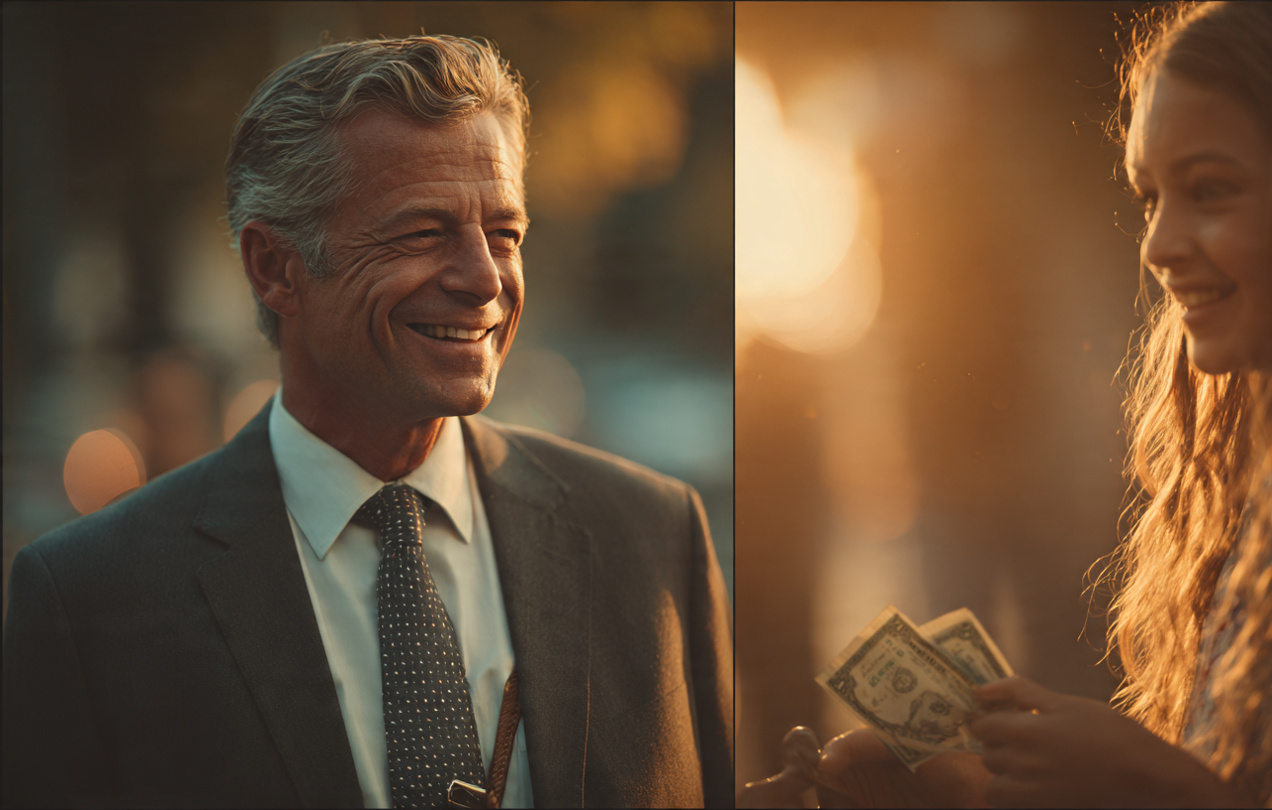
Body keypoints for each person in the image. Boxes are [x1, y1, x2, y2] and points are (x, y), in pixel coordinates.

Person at [3, 35, 733, 809]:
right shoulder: (89, 601)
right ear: (275, 267)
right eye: (423, 232)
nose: (485, 278)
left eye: (505, 234)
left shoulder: (654, 537)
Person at [739, 2, 1272, 807]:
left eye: (1209, 191)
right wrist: (977, 791)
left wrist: (1147, 779)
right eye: (1150, 198)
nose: (1158, 245)